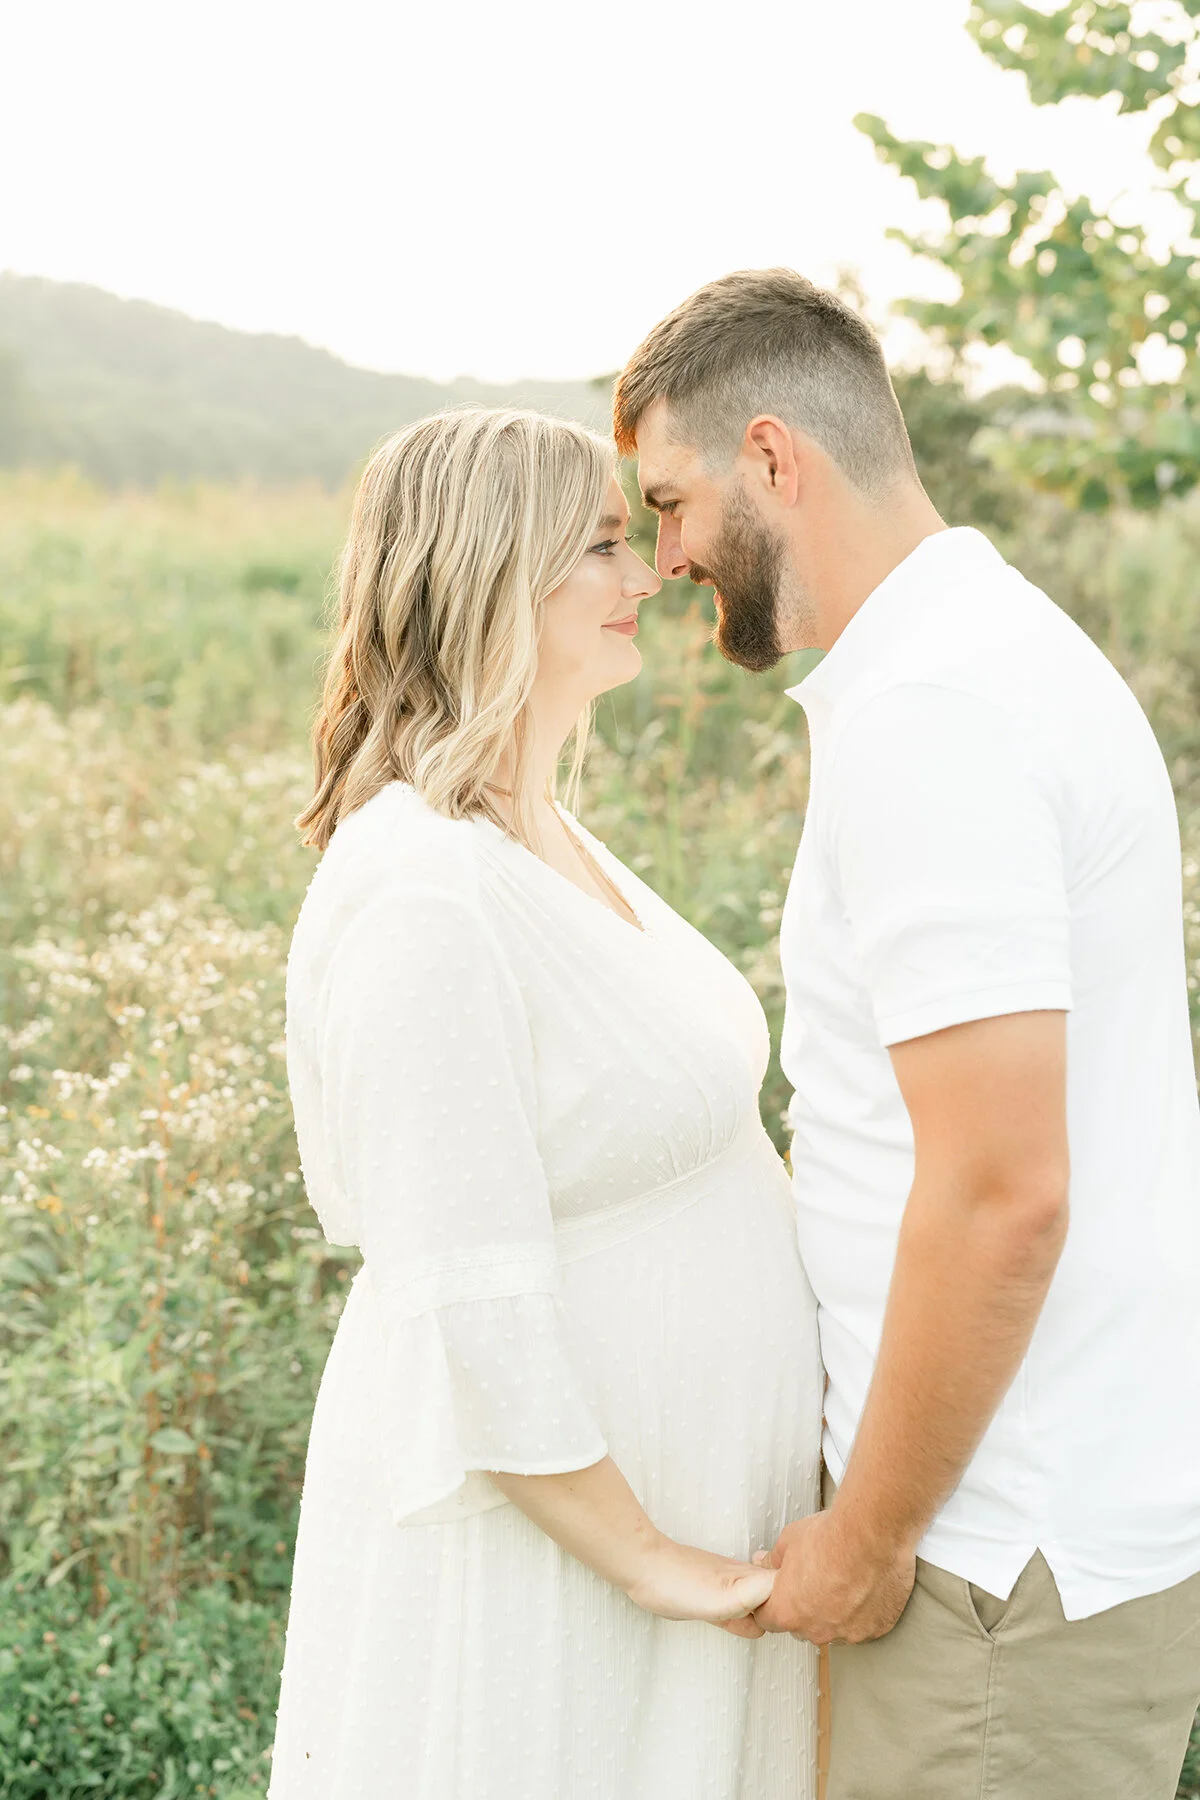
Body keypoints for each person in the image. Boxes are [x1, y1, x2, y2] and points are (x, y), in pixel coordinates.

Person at [615, 267, 1200, 1800]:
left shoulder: (938, 712)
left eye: (669, 502)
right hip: (1013, 1538)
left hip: (986, 1571)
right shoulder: (983, 659)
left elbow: (1006, 1191)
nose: (667, 557)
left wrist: (869, 1542)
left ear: (772, 458)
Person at [268, 406, 824, 1799]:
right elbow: (470, 1297)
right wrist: (653, 1563)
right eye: (601, 546)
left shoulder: (540, 831)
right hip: (566, 1559)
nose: (646, 578)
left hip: (690, 1492)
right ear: (487, 572)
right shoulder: (421, 886)